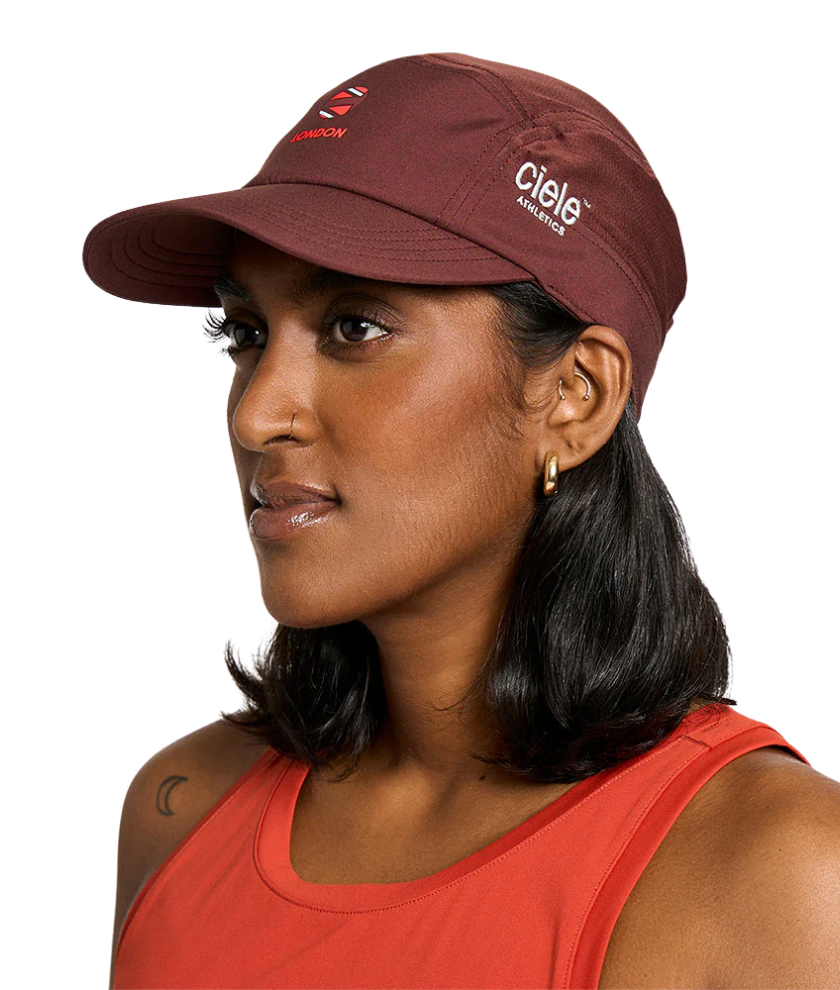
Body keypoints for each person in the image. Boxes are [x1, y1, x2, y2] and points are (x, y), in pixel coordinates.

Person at [83, 53, 840, 989]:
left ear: (575, 394)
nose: (256, 414)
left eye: (356, 327)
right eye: (245, 333)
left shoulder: (777, 873)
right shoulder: (180, 810)